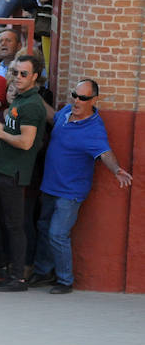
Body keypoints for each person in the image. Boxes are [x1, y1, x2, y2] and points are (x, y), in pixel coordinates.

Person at [28, 79, 132, 294]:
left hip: (70, 192)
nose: (76, 100)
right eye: (75, 95)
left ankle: (65, 280)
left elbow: (105, 153)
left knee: (57, 234)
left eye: (82, 98)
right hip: (50, 185)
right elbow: (52, 117)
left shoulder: (94, 128)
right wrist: (33, 96)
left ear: (94, 100)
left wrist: (116, 170)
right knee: (44, 227)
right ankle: (42, 271)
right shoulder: (66, 112)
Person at [0, 54, 47, 292]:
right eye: (15, 72)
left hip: (14, 173)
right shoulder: (20, 100)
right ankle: (1, 264)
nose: (18, 77)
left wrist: (0, 134)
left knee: (15, 225)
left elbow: (27, 142)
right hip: (2, 170)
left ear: (35, 77)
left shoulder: (31, 105)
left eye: (23, 74)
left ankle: (17, 277)